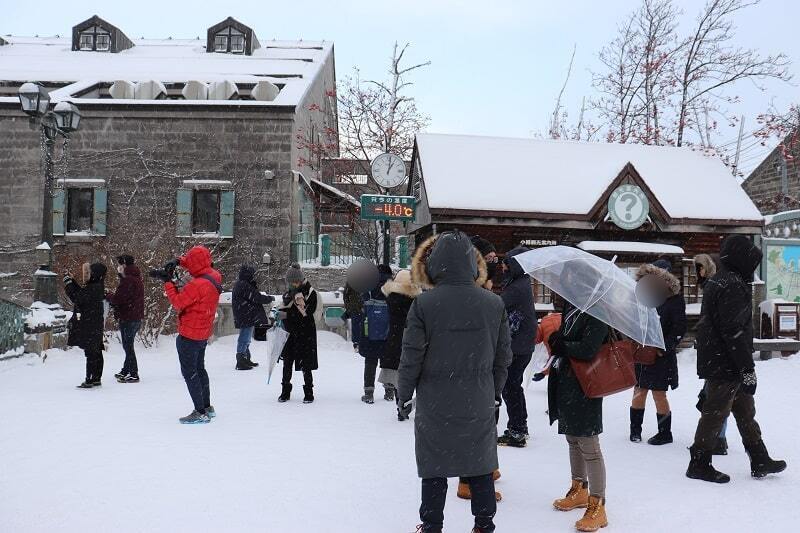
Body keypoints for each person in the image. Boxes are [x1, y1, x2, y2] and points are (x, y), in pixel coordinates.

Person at [399, 231, 511, 533]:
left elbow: (411, 355)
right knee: (481, 464)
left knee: (434, 467)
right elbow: (503, 358)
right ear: (471, 264)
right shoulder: (493, 304)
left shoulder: (424, 305)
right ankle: (484, 524)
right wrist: (494, 390)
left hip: (436, 400)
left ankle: (432, 524)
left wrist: (404, 393)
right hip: (478, 398)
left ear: (436, 264)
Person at [687, 235, 787, 483]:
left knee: (745, 411)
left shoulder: (721, 280)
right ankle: (698, 463)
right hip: (725, 362)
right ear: (741, 259)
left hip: (722, 359)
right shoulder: (731, 284)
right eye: (751, 261)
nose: (753, 267)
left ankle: (759, 457)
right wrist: (747, 368)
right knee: (715, 413)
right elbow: (733, 331)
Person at [547, 297, 610, 532]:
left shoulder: (597, 311)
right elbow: (568, 339)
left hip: (586, 384)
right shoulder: (573, 307)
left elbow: (589, 348)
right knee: (572, 438)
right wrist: (558, 339)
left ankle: (598, 504)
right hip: (568, 382)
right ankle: (580, 489)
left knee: (588, 443)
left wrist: (564, 345)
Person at [156, 246, 222, 424]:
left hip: (189, 334)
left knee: (190, 373)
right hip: (202, 332)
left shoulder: (197, 285)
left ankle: (199, 412)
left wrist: (168, 282)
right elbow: (198, 265)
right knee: (200, 369)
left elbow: (178, 302)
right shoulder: (214, 276)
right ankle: (207, 406)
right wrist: (179, 261)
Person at [629, 259, 687, 445]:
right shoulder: (642, 296)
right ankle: (635, 431)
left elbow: (679, 329)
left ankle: (665, 433)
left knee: (659, 394)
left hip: (662, 356)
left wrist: (662, 349)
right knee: (639, 391)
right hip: (642, 352)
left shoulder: (674, 299)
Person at [497, 246, 537, 448]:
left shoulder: (517, 287)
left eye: (506, 262)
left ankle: (517, 431)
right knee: (514, 386)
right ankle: (520, 426)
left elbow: (497, 305)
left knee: (510, 387)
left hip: (517, 346)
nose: (502, 266)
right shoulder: (520, 282)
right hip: (522, 345)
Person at [693, 253, 729, 456]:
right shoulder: (709, 287)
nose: (699, 271)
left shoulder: (716, 288)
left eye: (701, 267)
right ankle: (717, 438)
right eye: (697, 268)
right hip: (713, 351)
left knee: (718, 399)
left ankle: (719, 439)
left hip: (720, 353)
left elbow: (718, 322)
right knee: (715, 398)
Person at [380, 269, 420, 414]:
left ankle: (400, 405)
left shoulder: (391, 299)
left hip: (394, 338)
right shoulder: (415, 301)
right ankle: (409, 404)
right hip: (411, 338)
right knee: (413, 372)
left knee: (398, 375)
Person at [278, 263, 318, 404]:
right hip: (290, 334)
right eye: (290, 282)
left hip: (305, 333)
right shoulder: (288, 294)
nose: (293, 284)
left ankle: (309, 392)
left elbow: (307, 313)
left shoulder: (310, 292)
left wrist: (289, 314)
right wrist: (280, 314)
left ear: (301, 280)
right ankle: (285, 391)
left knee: (306, 364)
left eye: (296, 281)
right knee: (287, 362)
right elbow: (284, 311)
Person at [65, 262, 108, 389]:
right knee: (96, 351)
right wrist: (72, 281)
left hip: (90, 324)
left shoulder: (93, 288)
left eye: (89, 272)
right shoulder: (96, 286)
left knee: (91, 352)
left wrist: (68, 284)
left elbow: (77, 297)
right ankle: (96, 378)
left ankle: (90, 379)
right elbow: (81, 293)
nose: (87, 275)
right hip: (94, 324)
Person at [106, 255, 145, 383]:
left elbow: (119, 299)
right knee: (128, 346)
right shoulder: (136, 278)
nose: (118, 267)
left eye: (119, 264)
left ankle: (133, 374)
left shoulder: (128, 280)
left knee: (128, 347)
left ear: (124, 265)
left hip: (128, 317)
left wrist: (108, 295)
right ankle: (126, 370)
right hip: (135, 317)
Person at [359, 264, 393, 404]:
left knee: (370, 361)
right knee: (388, 362)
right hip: (388, 332)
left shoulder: (368, 287)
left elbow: (362, 308)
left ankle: (369, 393)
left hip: (370, 332)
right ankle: (389, 391)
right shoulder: (392, 287)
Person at [232, 264, 275, 370]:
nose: (253, 276)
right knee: (244, 337)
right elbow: (256, 297)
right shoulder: (244, 285)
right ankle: (241, 360)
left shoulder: (241, 284)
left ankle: (245, 358)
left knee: (246, 338)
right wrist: (269, 298)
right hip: (245, 315)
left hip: (245, 314)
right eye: (252, 274)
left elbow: (253, 296)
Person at [342, 283, 363, 352]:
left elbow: (345, 296)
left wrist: (348, 307)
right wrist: (349, 308)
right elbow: (345, 296)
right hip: (357, 309)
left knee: (358, 326)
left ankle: (359, 344)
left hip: (359, 308)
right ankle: (357, 344)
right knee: (357, 327)